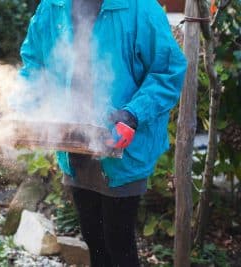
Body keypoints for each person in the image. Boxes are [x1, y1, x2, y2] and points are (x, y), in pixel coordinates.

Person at [17, 0, 187, 266]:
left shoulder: (141, 8)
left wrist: (133, 115)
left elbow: (167, 71)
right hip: (73, 143)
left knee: (118, 242)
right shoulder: (53, 6)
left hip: (123, 147)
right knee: (93, 239)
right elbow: (34, 63)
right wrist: (23, 105)